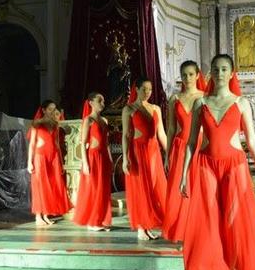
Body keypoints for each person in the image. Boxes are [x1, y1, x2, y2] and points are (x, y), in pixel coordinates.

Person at [180, 54, 255, 270]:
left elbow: (253, 141)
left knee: (232, 221)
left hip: (234, 166)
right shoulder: (199, 103)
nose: (220, 73)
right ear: (210, 72)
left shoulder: (242, 103)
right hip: (206, 165)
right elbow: (192, 142)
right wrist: (184, 175)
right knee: (210, 222)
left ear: (232, 72)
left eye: (224, 69)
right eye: (215, 69)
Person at [163, 61, 205, 243]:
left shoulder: (205, 97)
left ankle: (198, 228)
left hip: (200, 146)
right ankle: (181, 229)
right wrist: (166, 155)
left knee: (198, 187)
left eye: (190, 74)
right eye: (184, 75)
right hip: (179, 147)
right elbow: (171, 129)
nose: (187, 78)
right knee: (179, 188)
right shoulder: (174, 99)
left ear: (197, 75)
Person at [121, 78, 167, 240]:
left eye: (150, 90)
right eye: (144, 89)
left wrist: (169, 152)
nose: (147, 93)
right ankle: (142, 226)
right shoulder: (129, 109)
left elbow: (161, 132)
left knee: (154, 187)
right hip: (138, 152)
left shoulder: (156, 108)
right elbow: (126, 135)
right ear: (137, 89)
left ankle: (148, 225)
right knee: (141, 188)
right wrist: (126, 158)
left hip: (153, 152)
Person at [27, 100, 72, 226]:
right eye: (50, 109)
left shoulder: (55, 124)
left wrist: (61, 162)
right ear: (44, 110)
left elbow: (57, 144)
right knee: (40, 185)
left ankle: (46, 215)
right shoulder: (37, 123)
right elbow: (32, 144)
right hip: (40, 157)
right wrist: (29, 162)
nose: (52, 111)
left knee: (51, 185)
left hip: (53, 158)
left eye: (54, 109)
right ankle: (38, 216)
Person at [73, 93, 113, 231]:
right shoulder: (88, 120)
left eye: (103, 100)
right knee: (94, 188)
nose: (102, 103)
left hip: (104, 158)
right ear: (90, 102)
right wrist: (85, 163)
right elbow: (83, 143)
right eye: (99, 100)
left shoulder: (105, 120)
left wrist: (110, 159)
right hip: (93, 157)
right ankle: (92, 221)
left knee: (103, 189)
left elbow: (107, 143)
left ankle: (101, 219)